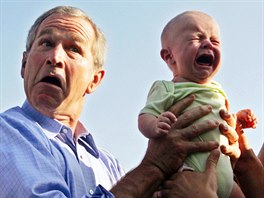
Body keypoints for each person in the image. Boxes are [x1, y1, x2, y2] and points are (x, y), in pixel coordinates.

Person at [0, 6, 227, 198]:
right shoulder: (6, 133)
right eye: (46, 43)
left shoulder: (108, 164)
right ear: (23, 64)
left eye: (73, 49)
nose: (55, 57)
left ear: (94, 80)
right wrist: (154, 166)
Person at [138, 10, 257, 197]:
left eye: (215, 41)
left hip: (224, 174)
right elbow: (146, 115)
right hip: (187, 172)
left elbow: (222, 121)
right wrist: (154, 126)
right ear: (169, 56)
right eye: (197, 38)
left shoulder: (217, 89)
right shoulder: (167, 88)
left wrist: (238, 119)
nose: (208, 44)